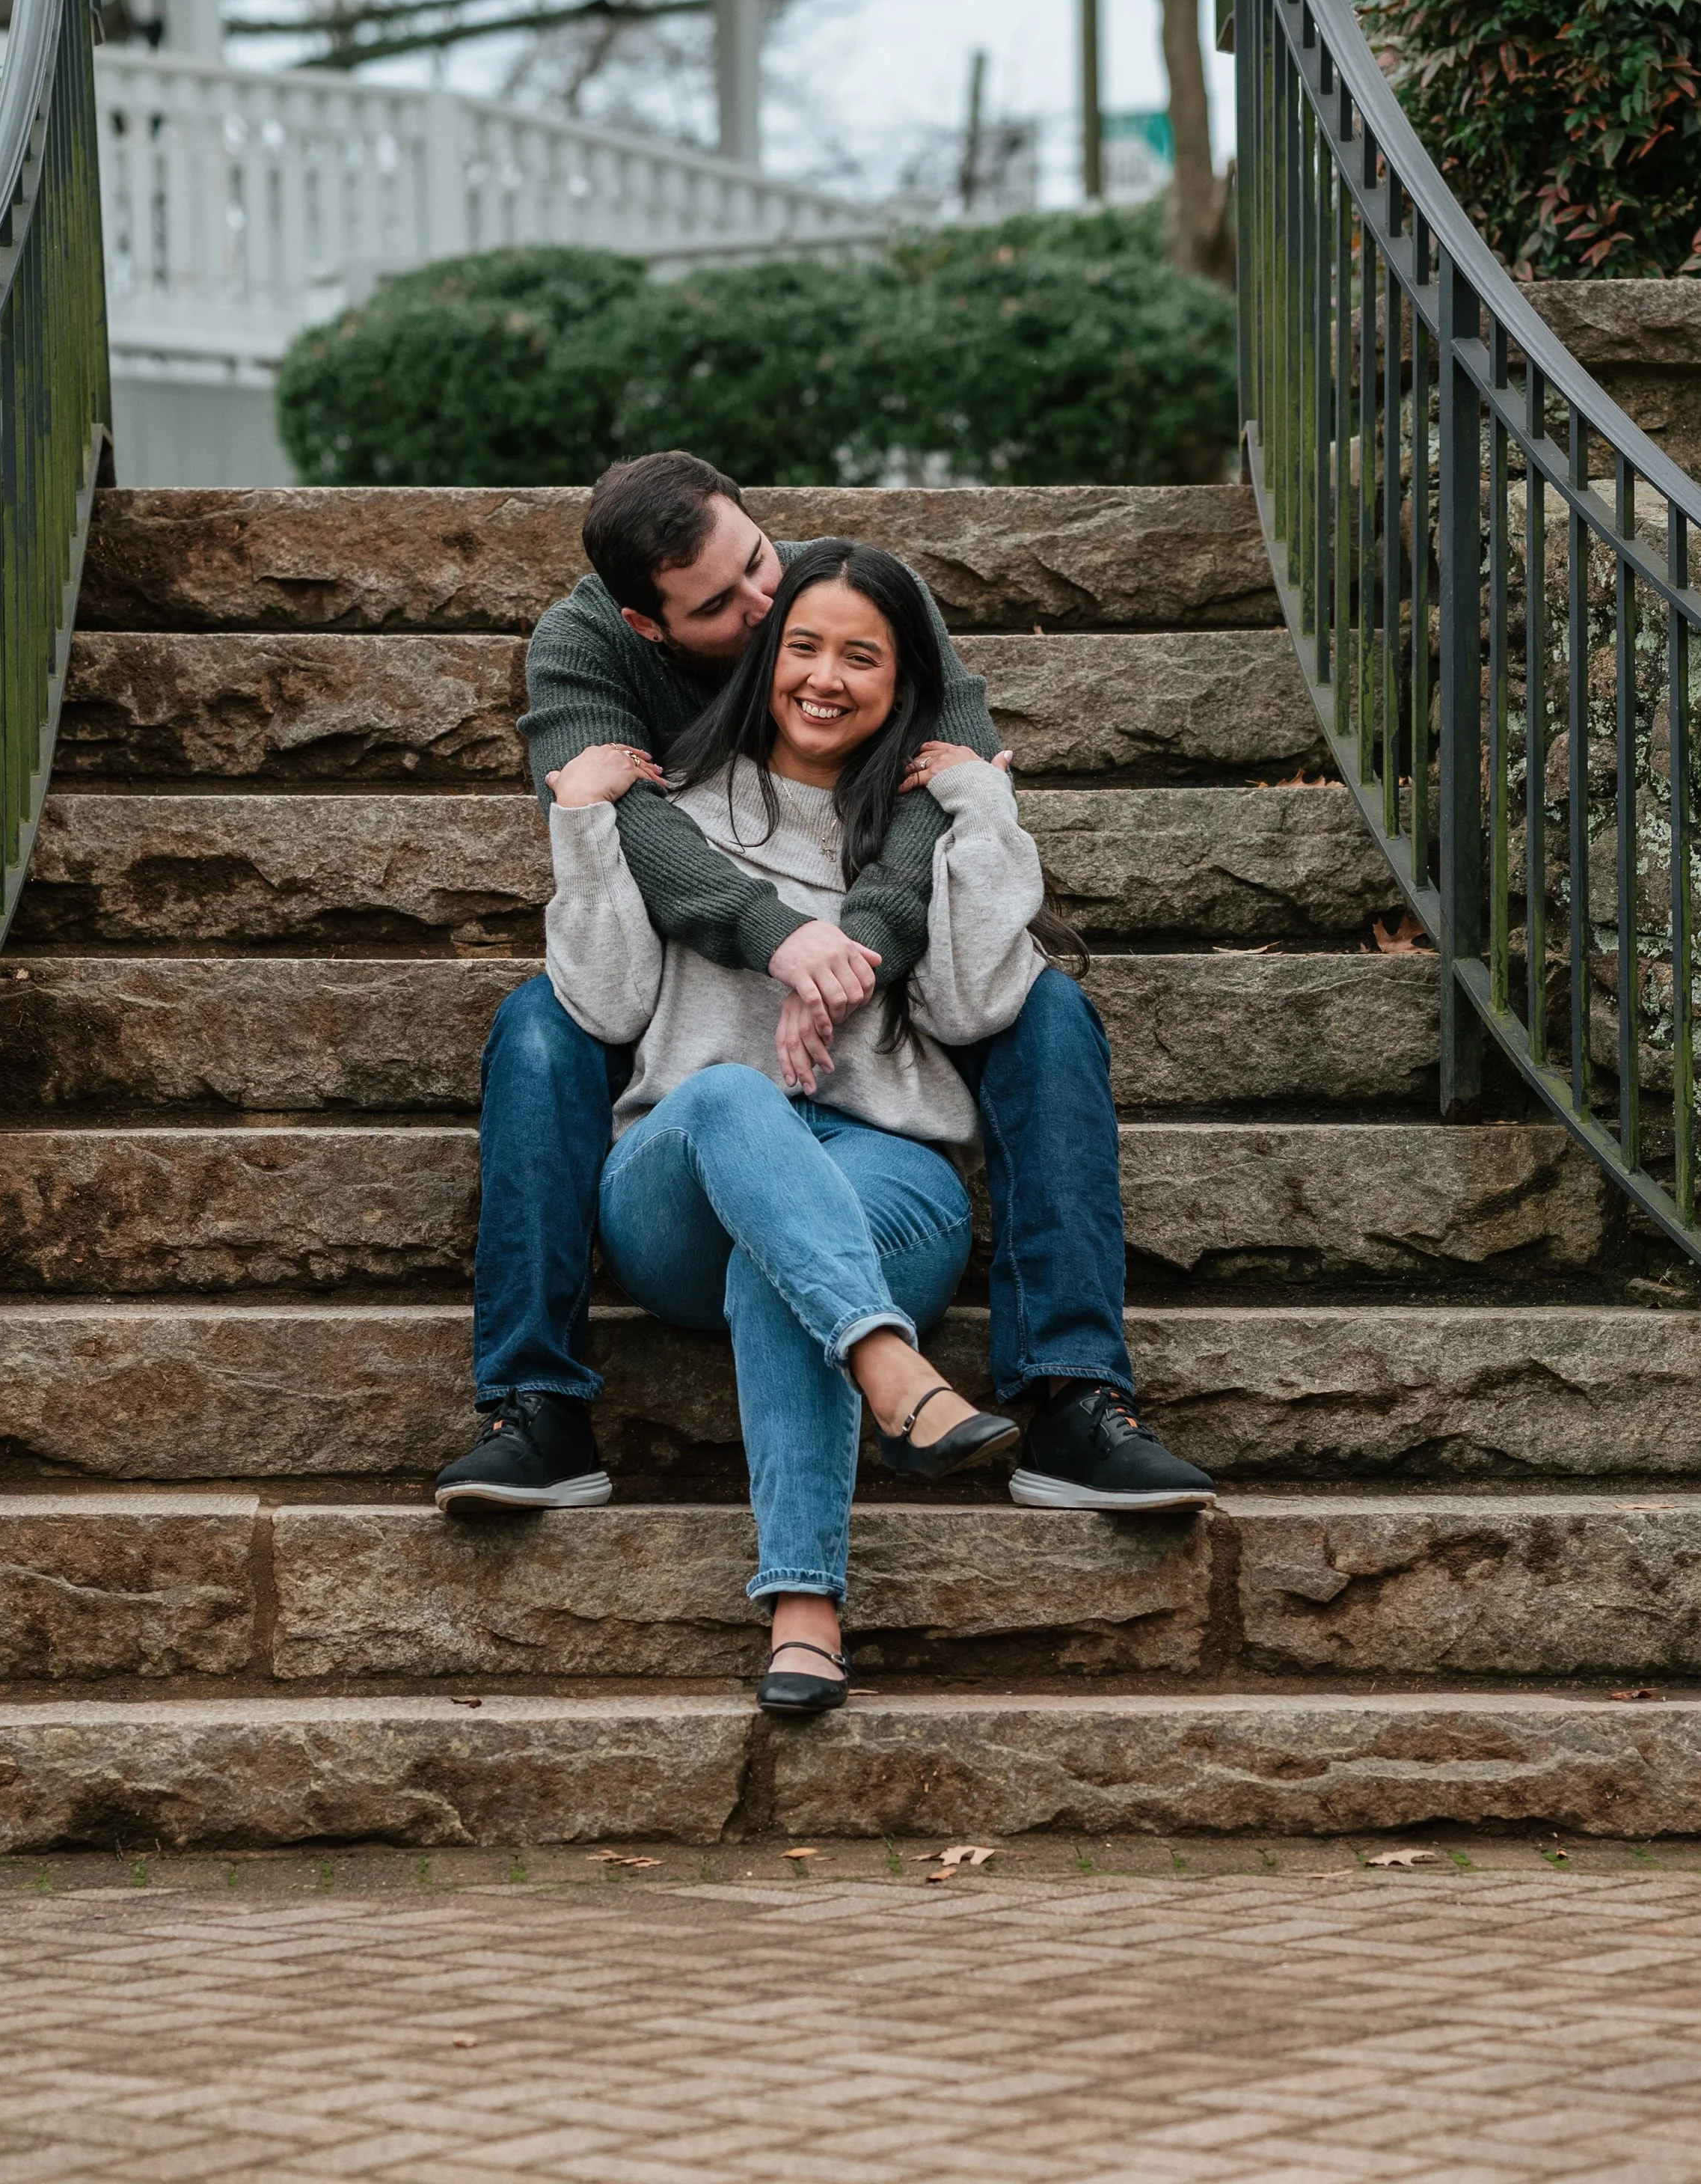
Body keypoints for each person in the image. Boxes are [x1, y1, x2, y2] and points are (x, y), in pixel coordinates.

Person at [434, 451, 1213, 1519]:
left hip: (870, 971)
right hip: (692, 990)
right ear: (647, 624)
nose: (768, 608)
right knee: (539, 1023)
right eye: (727, 606)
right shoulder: (582, 649)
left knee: (1050, 1009)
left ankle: (1076, 1397)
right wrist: (775, 936)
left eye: (762, 563)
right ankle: (534, 1403)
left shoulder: (835, 587)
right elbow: (631, 818)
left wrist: (857, 951)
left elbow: (951, 763)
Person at [536, 542, 1035, 1709]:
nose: (825, 676)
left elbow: (974, 1006)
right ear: (763, 659)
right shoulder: (668, 815)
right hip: (678, 1184)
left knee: (791, 1246)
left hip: (884, 1171)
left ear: (900, 681)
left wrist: (984, 806)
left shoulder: (918, 830)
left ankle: (805, 1613)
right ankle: (889, 1365)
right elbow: (603, 1005)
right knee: (729, 1094)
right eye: (802, 646)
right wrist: (582, 824)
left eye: (862, 656)